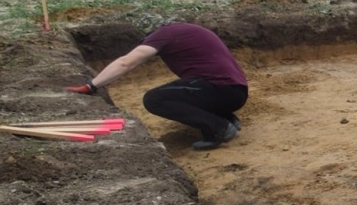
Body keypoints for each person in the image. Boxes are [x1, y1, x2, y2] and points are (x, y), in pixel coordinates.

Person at [67, 21, 248, 150]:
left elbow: (126, 62)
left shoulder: (163, 35)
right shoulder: (187, 31)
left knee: (155, 99)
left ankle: (219, 128)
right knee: (184, 88)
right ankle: (226, 117)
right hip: (236, 91)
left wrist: (91, 85)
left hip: (220, 90)